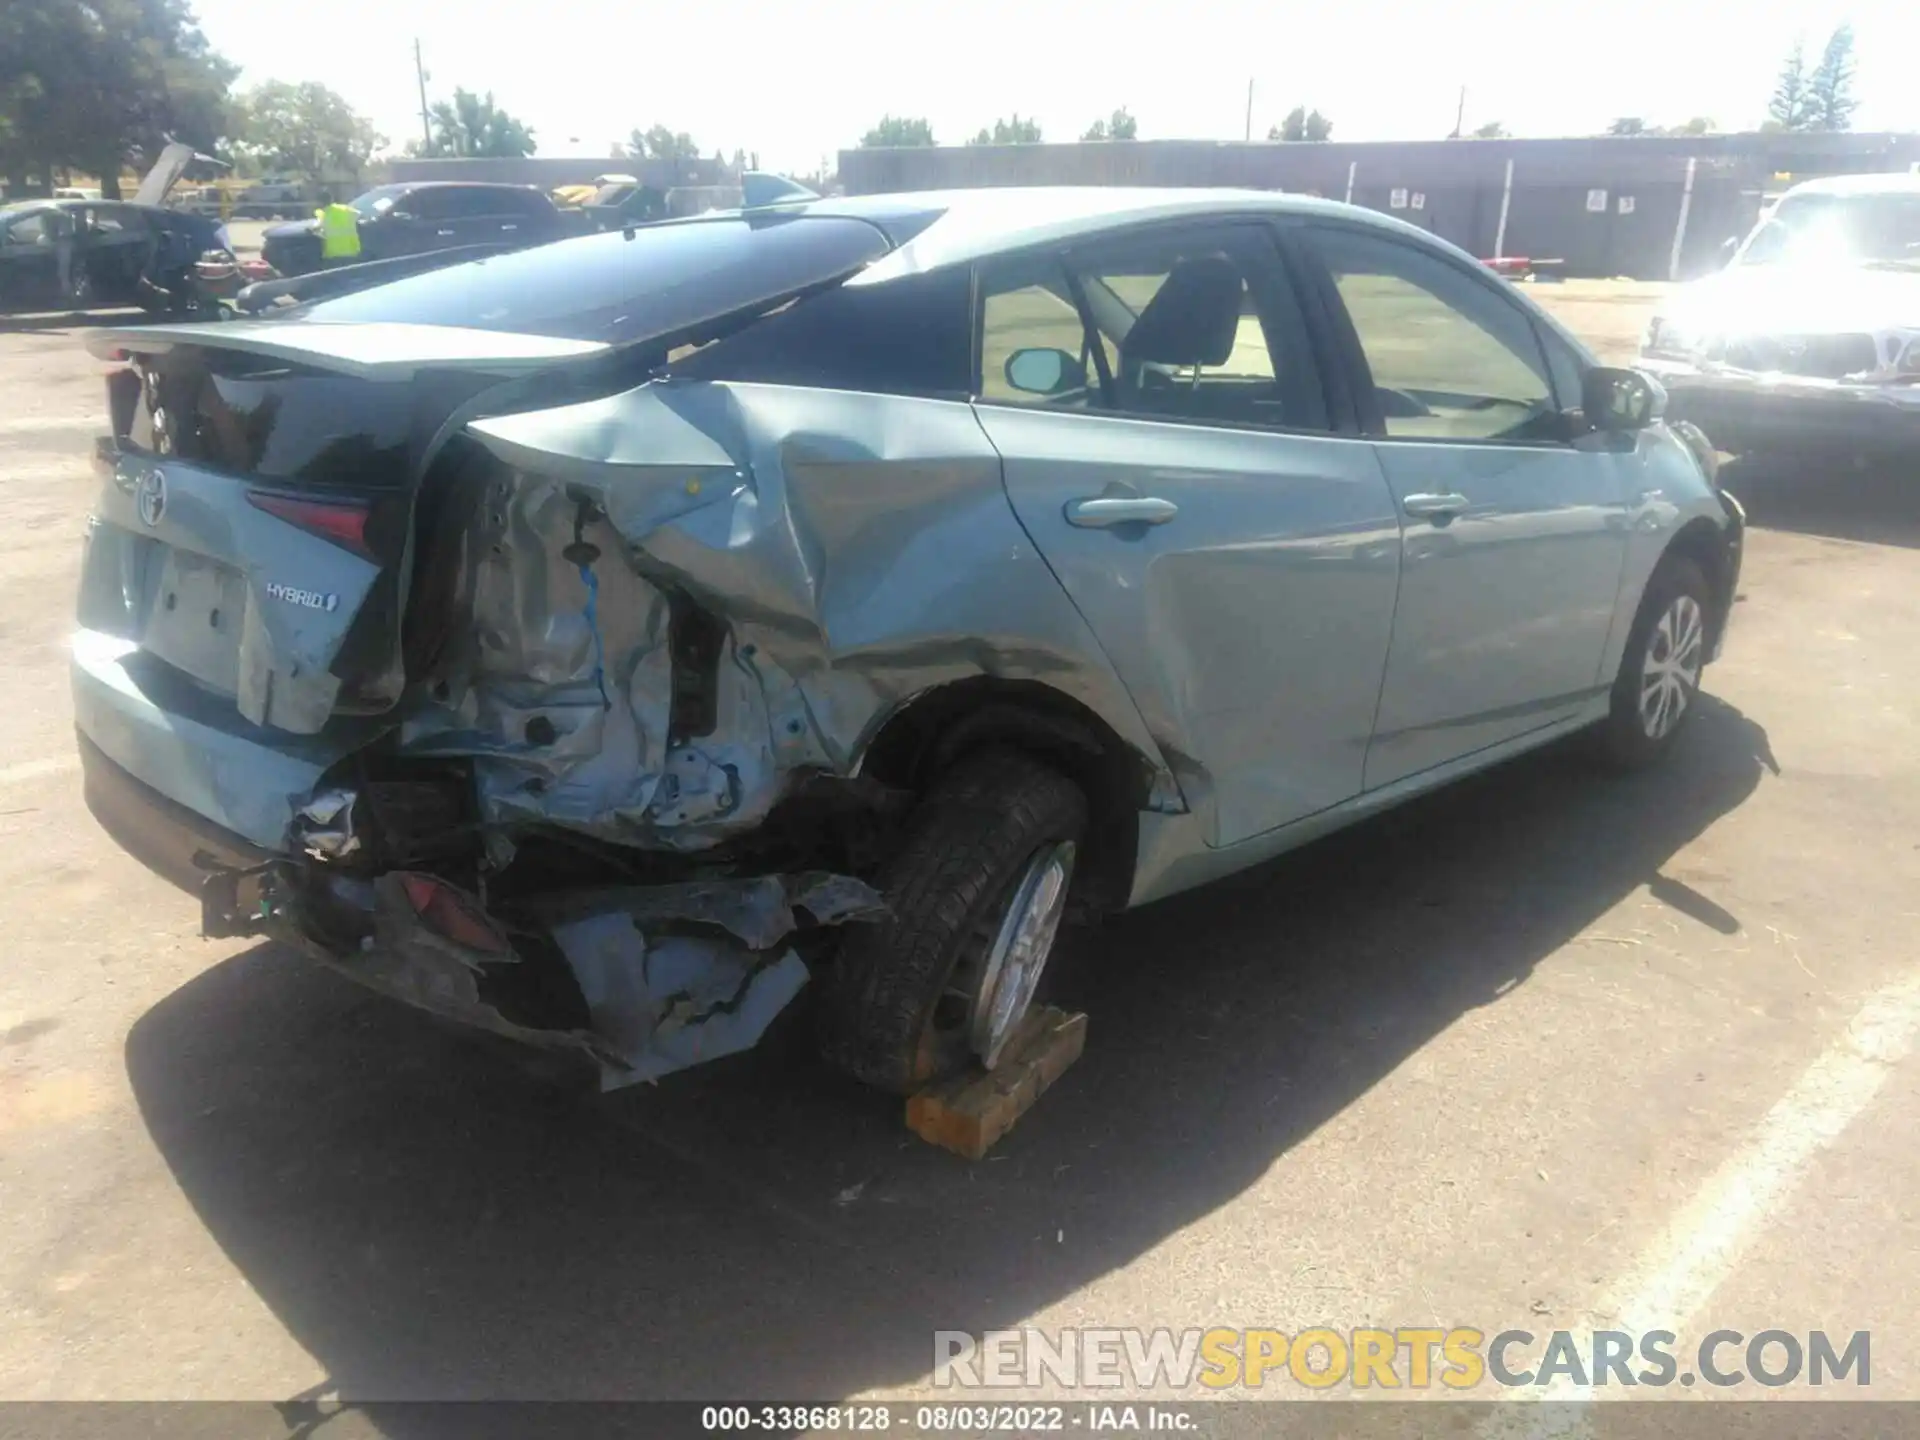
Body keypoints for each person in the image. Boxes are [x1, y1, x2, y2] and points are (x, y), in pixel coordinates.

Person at [314, 188, 362, 266]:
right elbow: (360, 215)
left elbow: (315, 230)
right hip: (351, 251)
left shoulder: (323, 215)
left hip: (333, 254)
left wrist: (322, 234)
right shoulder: (345, 209)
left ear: (319, 203)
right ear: (332, 199)